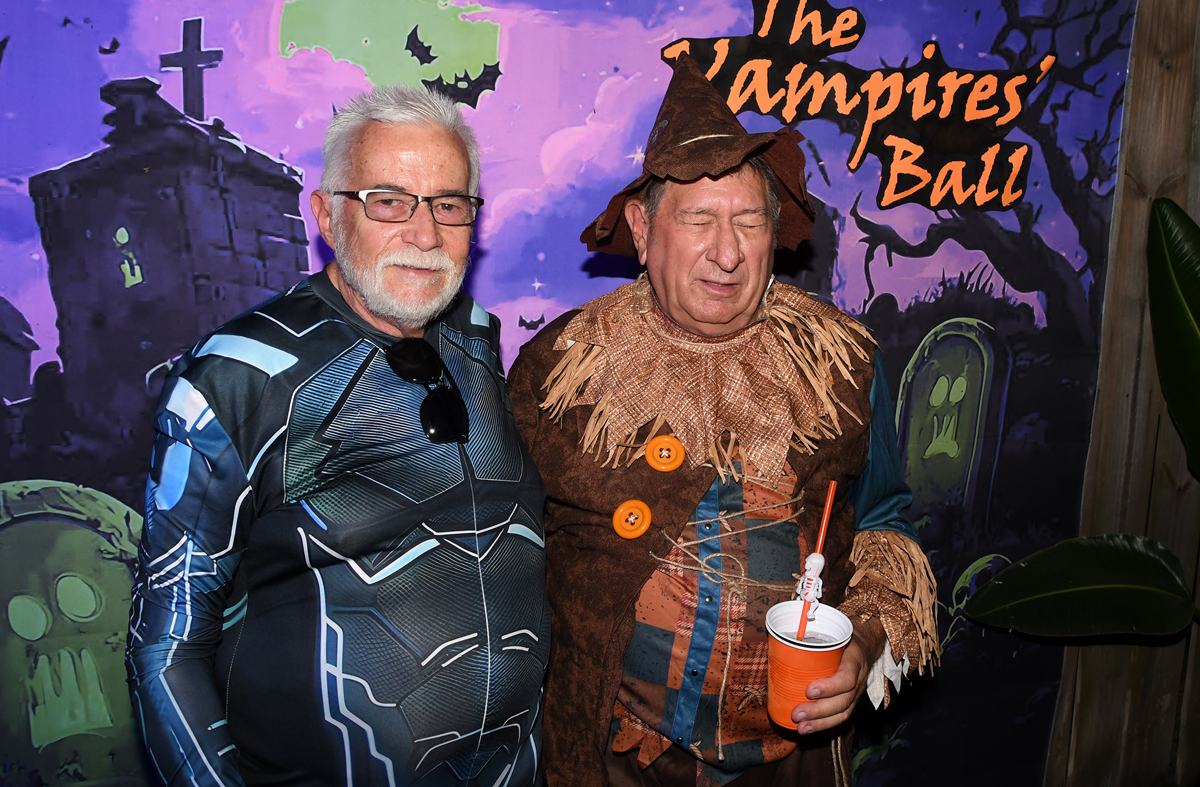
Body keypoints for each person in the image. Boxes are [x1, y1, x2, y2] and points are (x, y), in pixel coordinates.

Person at [508, 54, 938, 787]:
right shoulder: (562, 368)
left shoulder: (840, 362)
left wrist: (865, 643)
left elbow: (885, 524)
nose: (728, 253)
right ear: (643, 228)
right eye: (699, 219)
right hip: (612, 763)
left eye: (749, 220)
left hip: (790, 765)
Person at [127, 85, 549, 787]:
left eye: (449, 204)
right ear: (326, 214)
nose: (425, 235)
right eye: (389, 201)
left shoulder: (478, 343)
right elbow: (165, 650)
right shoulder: (240, 374)